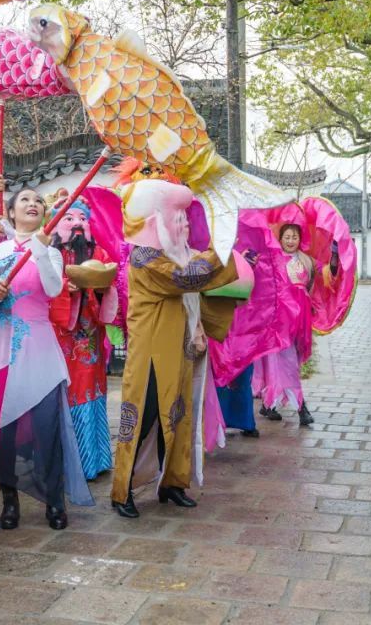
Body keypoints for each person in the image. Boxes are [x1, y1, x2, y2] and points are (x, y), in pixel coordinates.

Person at [110, 178, 240, 518]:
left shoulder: (175, 255)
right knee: (144, 416)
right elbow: (188, 277)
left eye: (185, 219)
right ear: (158, 223)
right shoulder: (146, 257)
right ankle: (122, 490)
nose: (184, 225)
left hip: (179, 349)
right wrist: (223, 245)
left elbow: (196, 285)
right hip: (151, 354)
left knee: (180, 416)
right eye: (177, 218)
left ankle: (173, 482)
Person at [0, 184, 94, 531]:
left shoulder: (51, 252)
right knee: (4, 434)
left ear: (44, 213)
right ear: (11, 213)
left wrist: (40, 249)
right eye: (24, 200)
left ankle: (54, 500)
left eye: (38, 201)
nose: (33, 204)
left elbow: (54, 289)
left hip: (40, 350)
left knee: (47, 430)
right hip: (1, 350)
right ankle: (10, 500)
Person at [48, 195, 119, 480]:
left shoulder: (98, 252)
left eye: (82, 218)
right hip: (59, 335)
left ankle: (94, 460)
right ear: (55, 224)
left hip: (89, 335)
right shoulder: (50, 254)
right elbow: (43, 288)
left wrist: (102, 288)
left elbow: (111, 283)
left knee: (91, 390)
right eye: (69, 218)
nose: (77, 223)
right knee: (63, 392)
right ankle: (68, 463)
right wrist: (66, 288)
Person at [253, 223, 326, 427]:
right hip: (278, 322)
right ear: (281, 239)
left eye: (294, 237)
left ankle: (269, 404)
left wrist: (337, 257)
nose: (291, 241)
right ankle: (301, 407)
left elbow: (327, 274)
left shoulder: (306, 261)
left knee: (286, 362)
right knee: (287, 363)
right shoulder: (272, 258)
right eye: (287, 237)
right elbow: (260, 281)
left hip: (300, 321)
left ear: (299, 239)